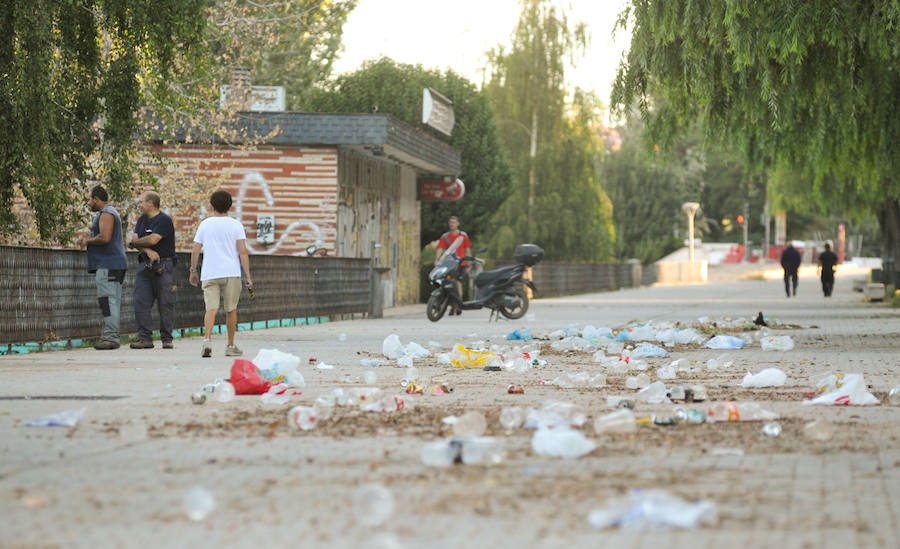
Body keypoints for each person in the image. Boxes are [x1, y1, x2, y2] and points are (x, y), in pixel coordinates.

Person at [189, 190, 253, 357]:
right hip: (231, 272)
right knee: (231, 309)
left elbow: (196, 248)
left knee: (211, 308)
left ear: (212, 206)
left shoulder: (205, 224)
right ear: (230, 206)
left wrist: (193, 270)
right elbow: (243, 252)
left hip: (210, 272)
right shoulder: (236, 225)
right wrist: (248, 276)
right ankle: (230, 346)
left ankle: (207, 340)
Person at [77, 185, 127, 350]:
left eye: (90, 199)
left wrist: (87, 241)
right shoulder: (110, 212)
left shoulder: (107, 213)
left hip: (108, 265)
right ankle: (110, 335)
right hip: (113, 264)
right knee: (111, 301)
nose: (89, 202)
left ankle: (111, 337)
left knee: (108, 301)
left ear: (96, 199)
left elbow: (105, 237)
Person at [128, 191, 177, 349]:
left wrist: (137, 243)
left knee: (165, 303)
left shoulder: (164, 220)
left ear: (150, 203)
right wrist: (147, 251)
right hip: (145, 264)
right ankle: (145, 338)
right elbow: (135, 240)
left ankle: (167, 339)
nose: (139, 205)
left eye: (142, 202)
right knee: (140, 302)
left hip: (164, 266)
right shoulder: (142, 220)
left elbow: (153, 239)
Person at [434, 215, 472, 315]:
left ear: (458, 224)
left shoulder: (463, 236)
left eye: (454, 222)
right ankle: (452, 306)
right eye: (450, 222)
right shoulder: (445, 237)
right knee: (448, 284)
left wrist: (468, 264)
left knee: (458, 284)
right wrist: (437, 260)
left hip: (461, 263)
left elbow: (467, 250)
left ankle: (458, 305)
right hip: (449, 264)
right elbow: (439, 249)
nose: (452, 224)